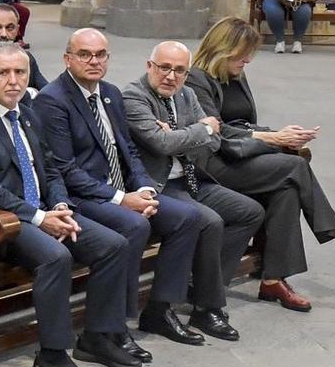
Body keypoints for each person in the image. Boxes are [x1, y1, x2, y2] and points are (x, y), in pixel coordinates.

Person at [0, 43, 137, 367]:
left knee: (113, 245)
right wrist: (39, 217)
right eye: (3, 73)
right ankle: (51, 357)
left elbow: (50, 169)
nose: (13, 81)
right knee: (56, 256)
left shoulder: (28, 114)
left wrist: (61, 205)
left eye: (20, 73)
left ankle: (97, 336)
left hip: (38, 213)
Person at [36, 29, 236, 351]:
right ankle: (116, 325)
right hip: (85, 196)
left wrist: (144, 187)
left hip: (122, 190)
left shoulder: (110, 93)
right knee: (135, 224)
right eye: (85, 54)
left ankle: (160, 309)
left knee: (188, 218)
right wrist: (121, 199)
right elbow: (64, 169)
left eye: (100, 55)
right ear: (67, 58)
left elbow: (128, 151)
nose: (94, 61)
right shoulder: (53, 100)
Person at [187, 19, 335, 275]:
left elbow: (243, 123)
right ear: (222, 51)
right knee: (295, 166)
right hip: (212, 164)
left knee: (286, 191)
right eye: (242, 56)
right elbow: (216, 132)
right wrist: (275, 138)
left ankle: (274, 281)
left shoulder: (235, 74)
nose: (247, 61)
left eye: (249, 56)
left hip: (239, 156)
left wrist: (279, 134)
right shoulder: (196, 80)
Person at [123, 41, 308, 313]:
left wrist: (184, 134)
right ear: (149, 66)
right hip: (159, 186)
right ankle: (206, 306)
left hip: (191, 178)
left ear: (187, 74)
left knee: (250, 211)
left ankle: (203, 285)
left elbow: (215, 140)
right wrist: (199, 130)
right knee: (209, 220)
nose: (171, 76)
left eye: (179, 70)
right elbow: (162, 144)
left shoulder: (186, 94)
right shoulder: (134, 96)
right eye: (164, 68)